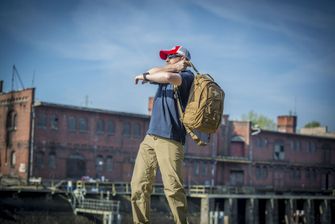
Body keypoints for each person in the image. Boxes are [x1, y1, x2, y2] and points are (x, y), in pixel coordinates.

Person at [131, 46, 194, 224]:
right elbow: (151, 71)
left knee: (173, 189)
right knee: (138, 186)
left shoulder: (188, 77)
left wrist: (175, 69)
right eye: (165, 58)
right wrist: (149, 74)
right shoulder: (168, 71)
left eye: (170, 57)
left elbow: (167, 77)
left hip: (171, 138)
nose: (166, 60)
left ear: (182, 59)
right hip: (150, 137)